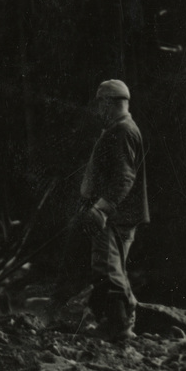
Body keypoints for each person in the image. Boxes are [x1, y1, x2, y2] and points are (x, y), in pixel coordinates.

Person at [50, 79, 149, 342]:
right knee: (103, 265)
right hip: (112, 214)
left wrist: (102, 209)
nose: (98, 111)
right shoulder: (120, 129)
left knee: (108, 267)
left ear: (108, 104)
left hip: (115, 217)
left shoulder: (123, 131)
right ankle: (104, 319)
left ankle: (120, 326)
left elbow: (124, 179)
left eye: (100, 104)